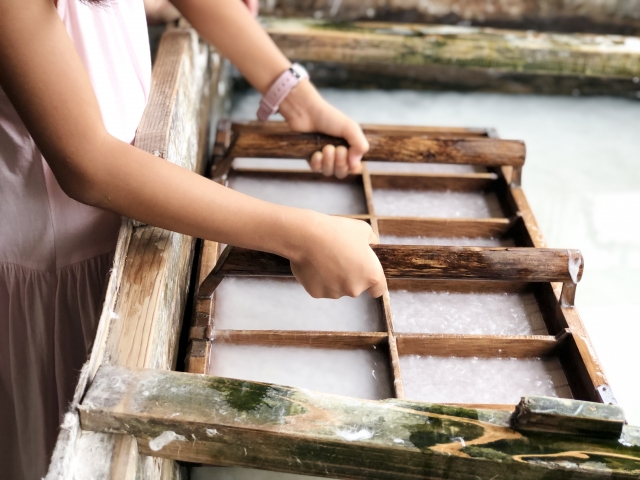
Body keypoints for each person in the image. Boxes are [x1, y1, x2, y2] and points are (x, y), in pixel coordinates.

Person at [0, 0, 387, 478]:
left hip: (128, 225)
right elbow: (88, 164)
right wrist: (303, 235)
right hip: (59, 266)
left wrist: (293, 93)